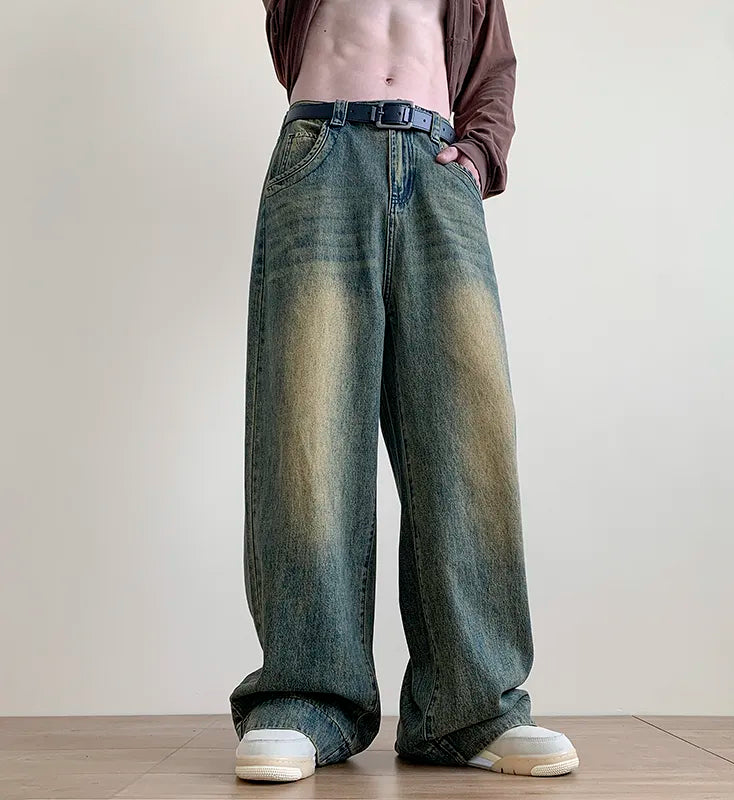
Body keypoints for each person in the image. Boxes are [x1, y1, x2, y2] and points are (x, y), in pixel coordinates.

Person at [229, 0, 579, 782]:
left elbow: (492, 70)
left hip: (436, 162)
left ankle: (472, 709)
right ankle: (306, 700)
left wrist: (480, 156)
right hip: (321, 149)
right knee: (309, 428)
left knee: (468, 431)